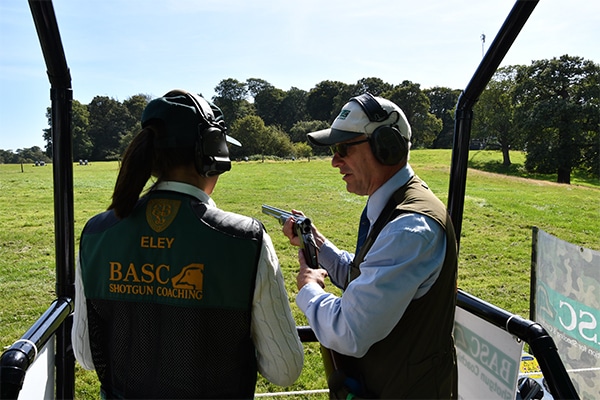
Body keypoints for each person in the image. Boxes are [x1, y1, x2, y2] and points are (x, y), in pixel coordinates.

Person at [72, 89, 303, 399]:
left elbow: (86, 356)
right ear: (213, 155)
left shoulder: (96, 234)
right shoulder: (245, 239)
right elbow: (284, 369)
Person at [282, 93, 458, 399]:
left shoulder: (409, 229)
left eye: (343, 148)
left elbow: (349, 330)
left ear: (385, 147)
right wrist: (319, 246)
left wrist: (309, 288)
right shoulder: (394, 206)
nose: (335, 161)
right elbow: (367, 274)